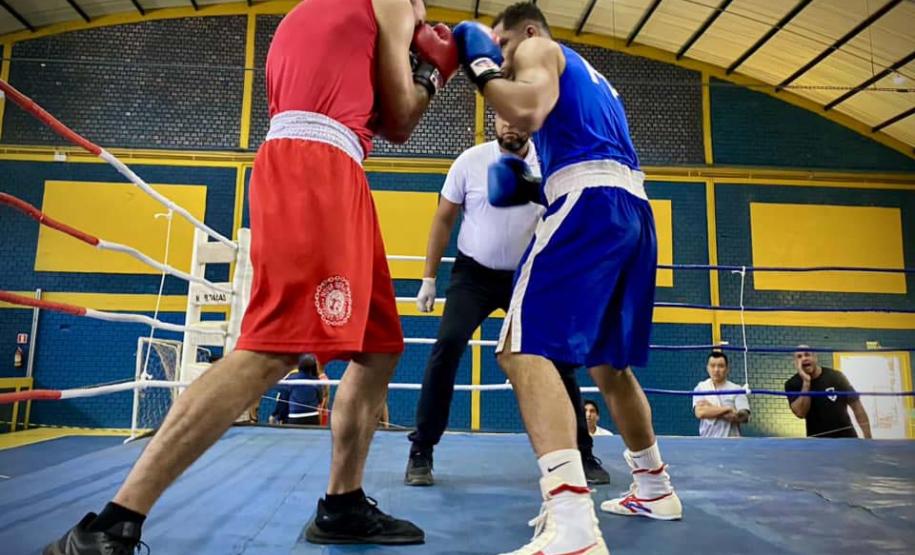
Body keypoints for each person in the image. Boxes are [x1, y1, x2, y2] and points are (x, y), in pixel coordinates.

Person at [43, 1, 460, 552]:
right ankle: (113, 522)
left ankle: (342, 504)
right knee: (271, 349)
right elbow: (403, 118)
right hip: (317, 168)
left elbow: (375, 113)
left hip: (328, 165)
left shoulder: (316, 16)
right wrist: (436, 70)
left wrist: (415, 60)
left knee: (378, 344)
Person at [453, 3, 682, 552]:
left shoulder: (536, 48)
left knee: (519, 346)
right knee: (608, 364)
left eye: (503, 46)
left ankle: (573, 523)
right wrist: (536, 185)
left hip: (588, 203)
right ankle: (654, 487)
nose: (504, 60)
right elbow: (575, 140)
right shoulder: (595, 80)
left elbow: (528, 109)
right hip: (632, 209)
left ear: (527, 32)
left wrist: (481, 70)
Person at [404, 113, 609, 486]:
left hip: (530, 275)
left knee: (560, 360)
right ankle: (422, 450)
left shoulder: (550, 164)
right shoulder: (470, 161)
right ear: (493, 120)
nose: (510, 125)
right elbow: (443, 219)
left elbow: (575, 218)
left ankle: (583, 453)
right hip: (473, 275)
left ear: (531, 122)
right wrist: (428, 278)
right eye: (503, 118)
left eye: (519, 119)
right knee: (447, 345)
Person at [785, 346, 872, 439]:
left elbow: (856, 406)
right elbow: (800, 413)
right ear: (795, 362)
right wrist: (806, 383)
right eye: (799, 357)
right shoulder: (792, 384)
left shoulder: (836, 377)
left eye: (807, 354)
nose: (804, 358)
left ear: (815, 357)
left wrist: (868, 437)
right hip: (817, 442)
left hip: (846, 438)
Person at [692, 351, 750, 438]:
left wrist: (710, 408)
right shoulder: (701, 388)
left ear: (727, 369)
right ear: (707, 368)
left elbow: (744, 417)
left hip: (732, 443)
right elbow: (700, 413)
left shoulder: (737, 389)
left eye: (721, 366)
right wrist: (728, 409)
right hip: (707, 442)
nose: (716, 370)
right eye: (712, 366)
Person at [270, 355, 325, 426]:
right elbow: (320, 399)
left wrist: (278, 416)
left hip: (295, 418)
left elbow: (283, 400)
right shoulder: (316, 381)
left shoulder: (291, 379)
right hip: (313, 418)